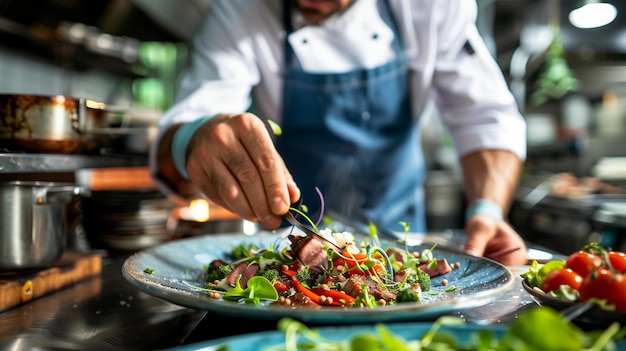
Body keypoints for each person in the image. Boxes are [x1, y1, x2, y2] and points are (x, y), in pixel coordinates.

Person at [150, 0, 528, 265]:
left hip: (404, 250)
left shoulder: (431, 6)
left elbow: (484, 115)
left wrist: (487, 209)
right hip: (288, 245)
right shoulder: (240, 10)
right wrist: (192, 140)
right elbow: (187, 125)